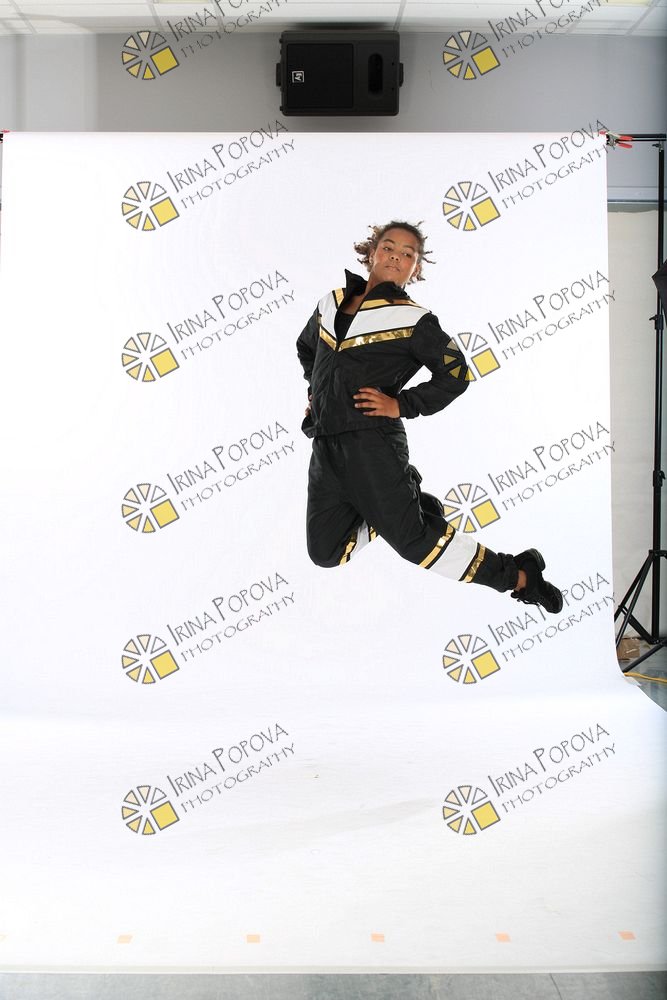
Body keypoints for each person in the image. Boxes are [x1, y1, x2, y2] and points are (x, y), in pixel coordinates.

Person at [296, 221, 563, 613]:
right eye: (389, 247)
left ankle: (519, 575)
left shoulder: (413, 319)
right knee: (325, 551)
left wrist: (400, 405)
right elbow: (306, 348)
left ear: (415, 268)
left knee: (414, 542)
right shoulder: (331, 302)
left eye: (408, 254)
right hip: (325, 441)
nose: (396, 257)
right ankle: (409, 500)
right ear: (372, 252)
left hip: (373, 444)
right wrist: (315, 391)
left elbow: (456, 374)